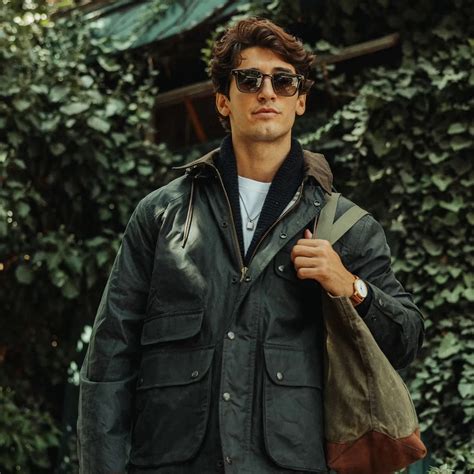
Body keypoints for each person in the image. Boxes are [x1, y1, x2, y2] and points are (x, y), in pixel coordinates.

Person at [77, 17, 424, 474]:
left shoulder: (345, 227)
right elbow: (109, 363)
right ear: (224, 99)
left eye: (284, 81)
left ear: (300, 100)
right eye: (249, 80)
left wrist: (350, 286)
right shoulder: (161, 216)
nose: (267, 93)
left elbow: (406, 338)